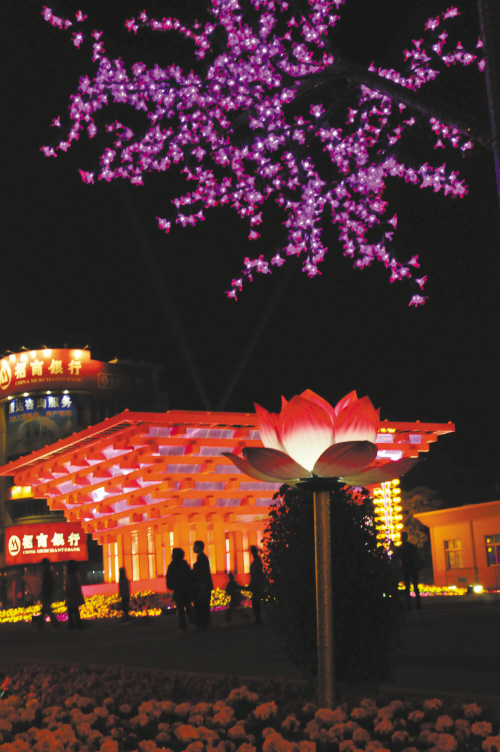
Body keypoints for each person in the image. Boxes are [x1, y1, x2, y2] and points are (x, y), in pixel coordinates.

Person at [166, 548, 194, 633]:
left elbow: (169, 579)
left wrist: (171, 586)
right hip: (186, 590)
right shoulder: (185, 565)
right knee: (189, 608)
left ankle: (183, 627)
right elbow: (190, 577)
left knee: (181, 610)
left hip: (178, 590)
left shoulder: (172, 566)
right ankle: (193, 624)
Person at [397, 532, 423, 611]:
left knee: (408, 587)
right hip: (412, 567)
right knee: (413, 587)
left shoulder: (402, 548)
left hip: (407, 568)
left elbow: (397, 556)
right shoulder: (410, 547)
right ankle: (417, 604)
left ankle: (411, 605)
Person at [192, 540, 213, 631]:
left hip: (203, 586)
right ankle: (205, 624)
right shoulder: (202, 557)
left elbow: (202, 573)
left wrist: (201, 584)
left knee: (202, 605)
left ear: (199, 547)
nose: (193, 548)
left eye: (194, 546)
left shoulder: (201, 558)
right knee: (204, 605)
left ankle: (204, 624)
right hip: (205, 585)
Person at [39, 558, 60, 629]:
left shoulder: (47, 573)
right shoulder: (48, 573)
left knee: (46, 610)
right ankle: (55, 625)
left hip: (47, 594)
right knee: (47, 610)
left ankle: (40, 625)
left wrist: (44, 593)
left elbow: (47, 585)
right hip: (48, 594)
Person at [65, 559, 85, 630]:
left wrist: (68, 593)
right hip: (75, 596)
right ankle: (77, 626)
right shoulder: (76, 574)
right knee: (75, 611)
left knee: (72, 612)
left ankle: (73, 626)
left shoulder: (72, 575)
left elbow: (71, 586)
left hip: (72, 596)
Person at [249, 545, 264, 625]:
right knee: (256, 602)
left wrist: (253, 583)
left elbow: (256, 574)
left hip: (256, 585)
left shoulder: (256, 562)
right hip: (256, 584)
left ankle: (258, 619)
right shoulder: (257, 561)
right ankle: (258, 619)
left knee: (256, 603)